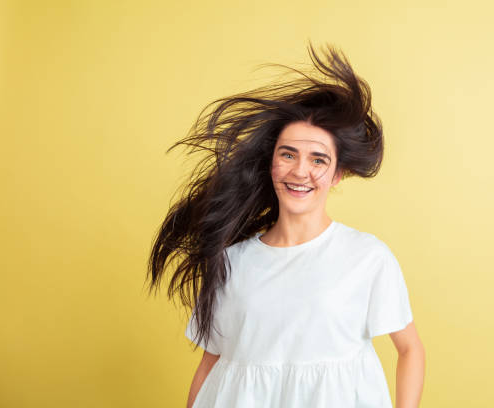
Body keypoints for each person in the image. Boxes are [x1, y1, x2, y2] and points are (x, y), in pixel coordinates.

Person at [146, 42, 425, 408]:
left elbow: (410, 350)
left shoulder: (367, 257)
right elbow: (211, 364)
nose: (300, 171)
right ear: (271, 163)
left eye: (318, 159)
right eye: (288, 154)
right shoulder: (230, 262)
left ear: (338, 173)